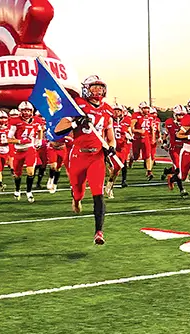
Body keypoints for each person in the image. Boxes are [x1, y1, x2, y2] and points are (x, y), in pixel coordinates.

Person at [54, 75, 116, 245]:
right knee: (79, 190)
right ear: (86, 89)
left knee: (98, 193)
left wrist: (111, 147)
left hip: (96, 157)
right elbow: (59, 129)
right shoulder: (78, 105)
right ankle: (76, 199)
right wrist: (75, 123)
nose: (97, 91)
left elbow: (110, 137)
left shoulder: (107, 110)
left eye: (100, 87)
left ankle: (99, 232)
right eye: (93, 87)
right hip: (78, 156)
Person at [7, 101, 40, 203]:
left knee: (30, 171)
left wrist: (38, 141)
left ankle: (29, 191)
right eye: (24, 110)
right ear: (20, 111)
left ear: (32, 111)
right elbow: (9, 139)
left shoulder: (36, 120)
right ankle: (17, 190)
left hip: (30, 149)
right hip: (18, 150)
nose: (26, 113)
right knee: (17, 174)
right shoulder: (15, 122)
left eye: (28, 110)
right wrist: (20, 141)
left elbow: (40, 130)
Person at [105, 103, 132, 199]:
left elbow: (129, 131)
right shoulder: (108, 120)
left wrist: (129, 136)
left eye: (118, 110)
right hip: (112, 148)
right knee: (112, 168)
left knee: (117, 170)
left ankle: (109, 186)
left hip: (122, 148)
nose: (116, 112)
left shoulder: (127, 120)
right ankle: (108, 188)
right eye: (115, 110)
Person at [162, 104, 188, 197]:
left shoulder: (187, 122)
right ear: (174, 115)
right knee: (179, 168)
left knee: (183, 169)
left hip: (185, 148)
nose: (181, 117)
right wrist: (164, 143)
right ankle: (182, 189)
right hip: (174, 149)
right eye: (179, 115)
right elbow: (165, 134)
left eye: (182, 115)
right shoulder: (169, 122)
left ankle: (170, 175)